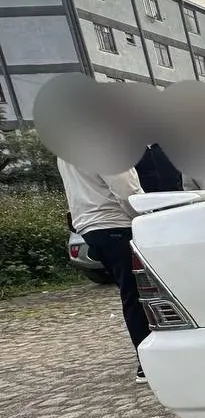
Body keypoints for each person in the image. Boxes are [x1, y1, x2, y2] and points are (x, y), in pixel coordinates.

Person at [57, 158, 150, 383]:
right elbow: (127, 191)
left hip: (91, 226)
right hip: (116, 223)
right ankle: (147, 363)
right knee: (139, 292)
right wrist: (149, 216)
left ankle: (148, 359)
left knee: (131, 292)